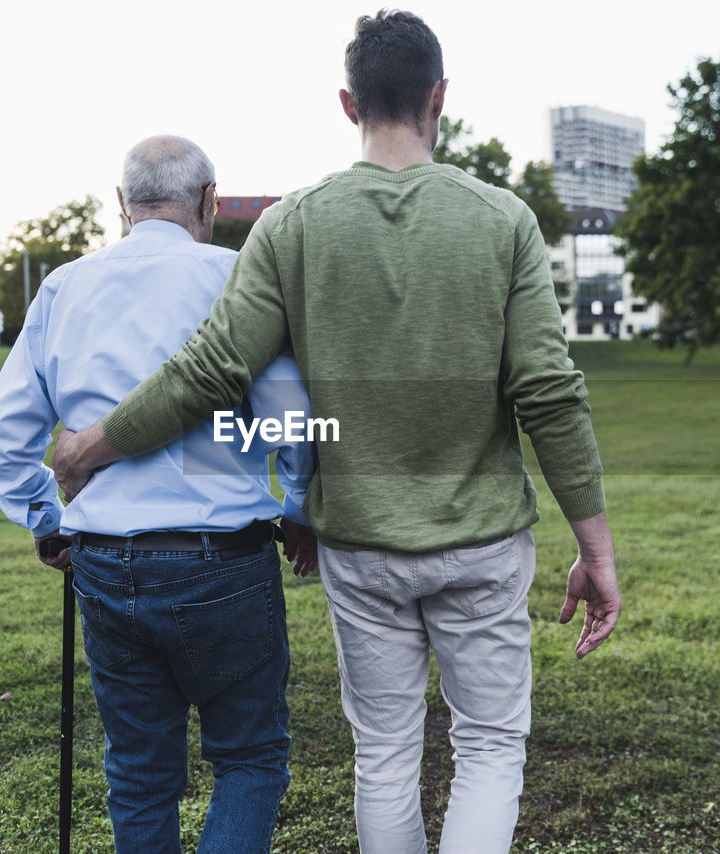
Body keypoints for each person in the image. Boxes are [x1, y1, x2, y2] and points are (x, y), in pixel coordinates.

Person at [52, 11, 621, 854]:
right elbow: (548, 391)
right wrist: (596, 549)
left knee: (386, 754)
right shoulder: (504, 220)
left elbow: (213, 370)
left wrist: (95, 445)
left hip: (361, 546)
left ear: (348, 103)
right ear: (440, 99)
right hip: (483, 541)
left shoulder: (292, 224)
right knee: (491, 747)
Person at [0, 135, 317, 854]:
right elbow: (295, 424)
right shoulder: (237, 277)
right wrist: (299, 506)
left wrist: (46, 518)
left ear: (121, 204)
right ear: (210, 203)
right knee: (250, 758)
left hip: (104, 559)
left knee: (137, 772)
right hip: (225, 559)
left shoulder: (65, 287)